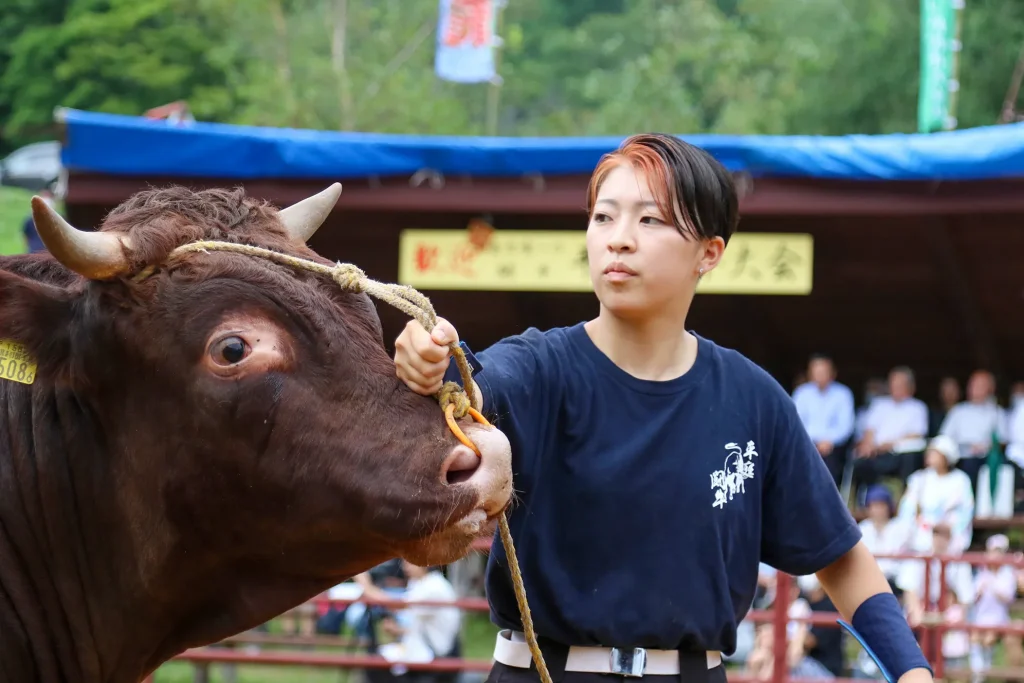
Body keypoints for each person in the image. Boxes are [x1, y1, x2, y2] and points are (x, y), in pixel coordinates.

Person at [393, 133, 932, 683]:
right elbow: (469, 386)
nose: (618, 240)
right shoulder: (539, 368)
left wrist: (912, 673)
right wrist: (430, 360)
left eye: (649, 221)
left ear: (709, 252)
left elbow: (839, 557)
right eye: (603, 217)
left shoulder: (752, 399)